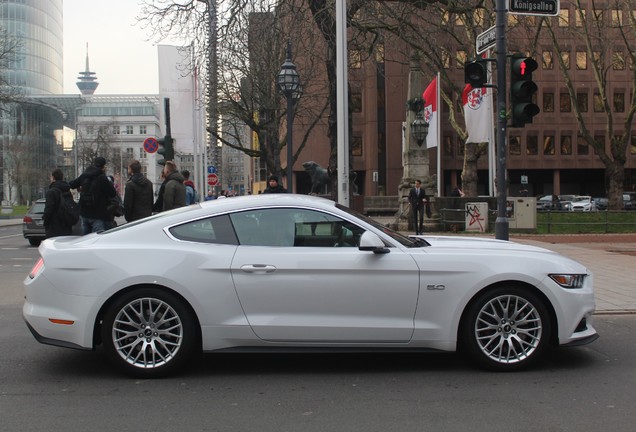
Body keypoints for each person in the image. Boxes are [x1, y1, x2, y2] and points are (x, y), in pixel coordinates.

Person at [69, 156, 117, 234]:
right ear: (103, 166)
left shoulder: (84, 175)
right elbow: (112, 193)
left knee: (85, 240)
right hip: (97, 214)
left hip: (84, 213)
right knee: (97, 240)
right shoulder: (102, 178)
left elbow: (72, 184)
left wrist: (80, 187)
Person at [42, 168, 74, 239]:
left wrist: (46, 222)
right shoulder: (67, 190)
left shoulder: (52, 191)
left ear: (53, 178)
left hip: (54, 226)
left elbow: (49, 209)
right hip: (66, 224)